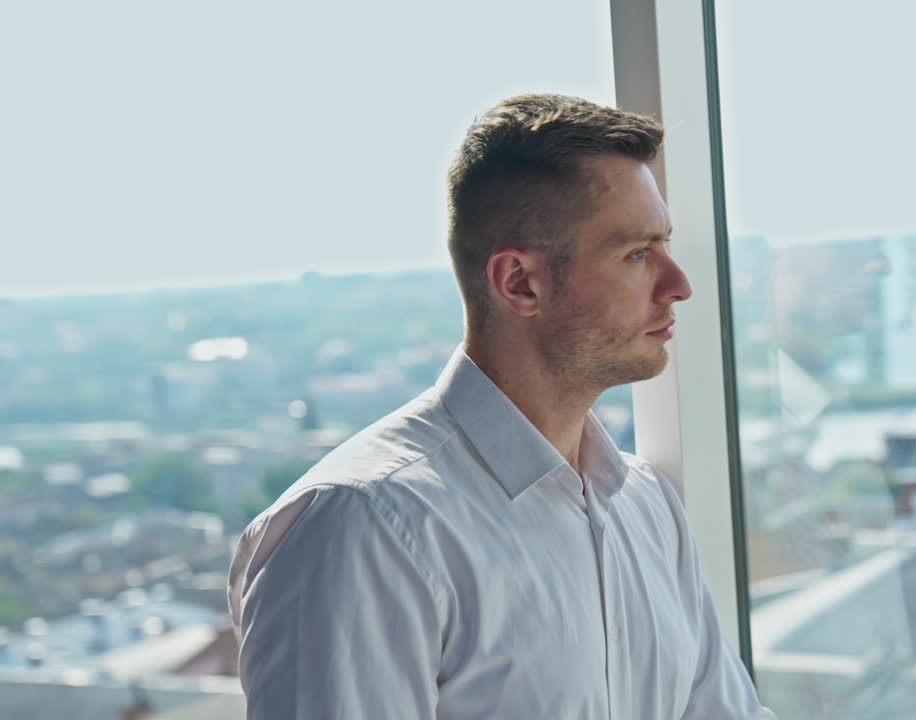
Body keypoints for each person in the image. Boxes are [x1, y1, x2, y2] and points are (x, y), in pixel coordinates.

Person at [228, 93, 775, 719]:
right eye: (637, 253)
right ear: (520, 283)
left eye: (663, 245)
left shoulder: (646, 505)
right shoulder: (361, 529)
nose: (679, 285)